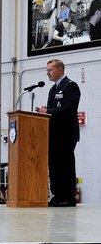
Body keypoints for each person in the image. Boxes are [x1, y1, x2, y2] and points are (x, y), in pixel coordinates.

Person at [35, 58, 81, 207]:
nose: (47, 73)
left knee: (65, 165)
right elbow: (54, 111)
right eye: (47, 70)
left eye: (50, 70)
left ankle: (68, 197)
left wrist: (47, 111)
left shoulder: (71, 86)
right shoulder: (52, 89)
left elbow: (68, 110)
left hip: (66, 135)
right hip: (53, 135)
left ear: (60, 70)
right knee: (54, 166)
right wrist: (45, 112)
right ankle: (58, 195)